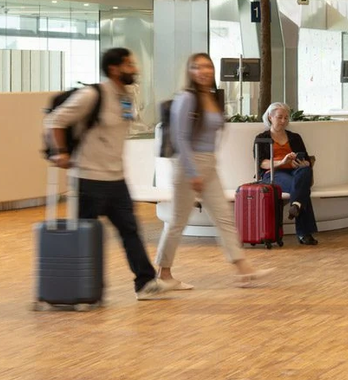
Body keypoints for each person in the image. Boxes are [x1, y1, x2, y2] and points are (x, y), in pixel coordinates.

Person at [46, 46, 167, 299]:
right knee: (87, 236)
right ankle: (86, 287)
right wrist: (62, 152)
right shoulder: (92, 95)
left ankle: (145, 283)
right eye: (130, 65)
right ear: (114, 69)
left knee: (130, 231)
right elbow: (55, 120)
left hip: (116, 179)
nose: (135, 69)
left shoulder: (126, 97)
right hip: (88, 178)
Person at [155, 52, 262, 290]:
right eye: (198, 67)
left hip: (208, 164)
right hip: (187, 165)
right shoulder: (187, 98)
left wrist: (207, 165)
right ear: (190, 72)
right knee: (177, 222)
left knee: (224, 217)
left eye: (208, 67)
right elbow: (181, 138)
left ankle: (242, 268)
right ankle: (163, 274)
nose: (204, 71)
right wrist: (193, 173)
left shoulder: (211, 97)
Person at [254, 102, 318, 245]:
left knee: (305, 171)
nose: (283, 121)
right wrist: (282, 162)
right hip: (273, 174)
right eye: (279, 117)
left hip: (296, 172)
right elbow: (261, 163)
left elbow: (306, 159)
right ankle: (304, 232)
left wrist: (304, 163)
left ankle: (296, 204)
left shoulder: (295, 137)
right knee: (302, 189)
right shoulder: (262, 138)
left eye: (286, 118)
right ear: (270, 117)